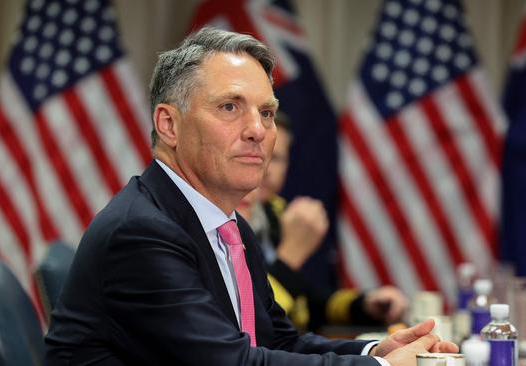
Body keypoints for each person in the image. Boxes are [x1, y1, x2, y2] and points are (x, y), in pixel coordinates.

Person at [45, 27, 457, 365]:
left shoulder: (228, 226)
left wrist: (373, 349)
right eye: (229, 107)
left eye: (266, 112)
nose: (258, 131)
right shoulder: (142, 232)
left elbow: (276, 342)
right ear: (168, 125)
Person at [238, 113, 408, 332]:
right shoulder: (217, 218)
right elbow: (248, 319)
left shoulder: (276, 213)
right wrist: (290, 257)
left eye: (275, 157)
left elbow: (304, 302)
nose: (265, 166)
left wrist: (363, 305)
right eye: (255, 153)